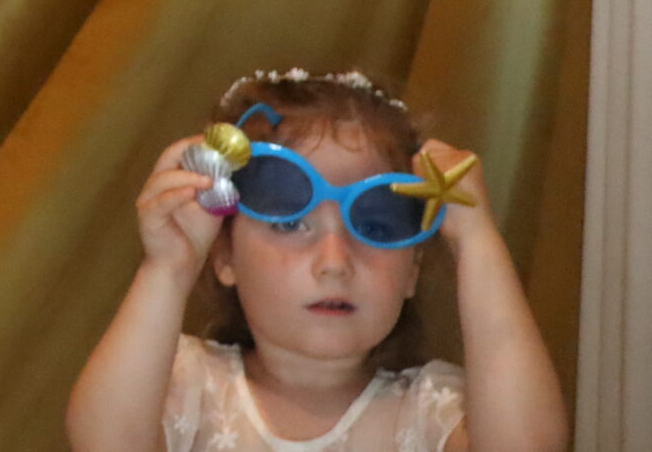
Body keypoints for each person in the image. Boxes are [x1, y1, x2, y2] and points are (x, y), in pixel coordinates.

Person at [66, 70, 568, 452]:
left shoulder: (431, 412)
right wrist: (168, 268)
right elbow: (105, 441)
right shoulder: (187, 386)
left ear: (412, 269)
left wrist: (477, 240)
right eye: (290, 223)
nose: (334, 262)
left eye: (374, 227)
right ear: (224, 255)